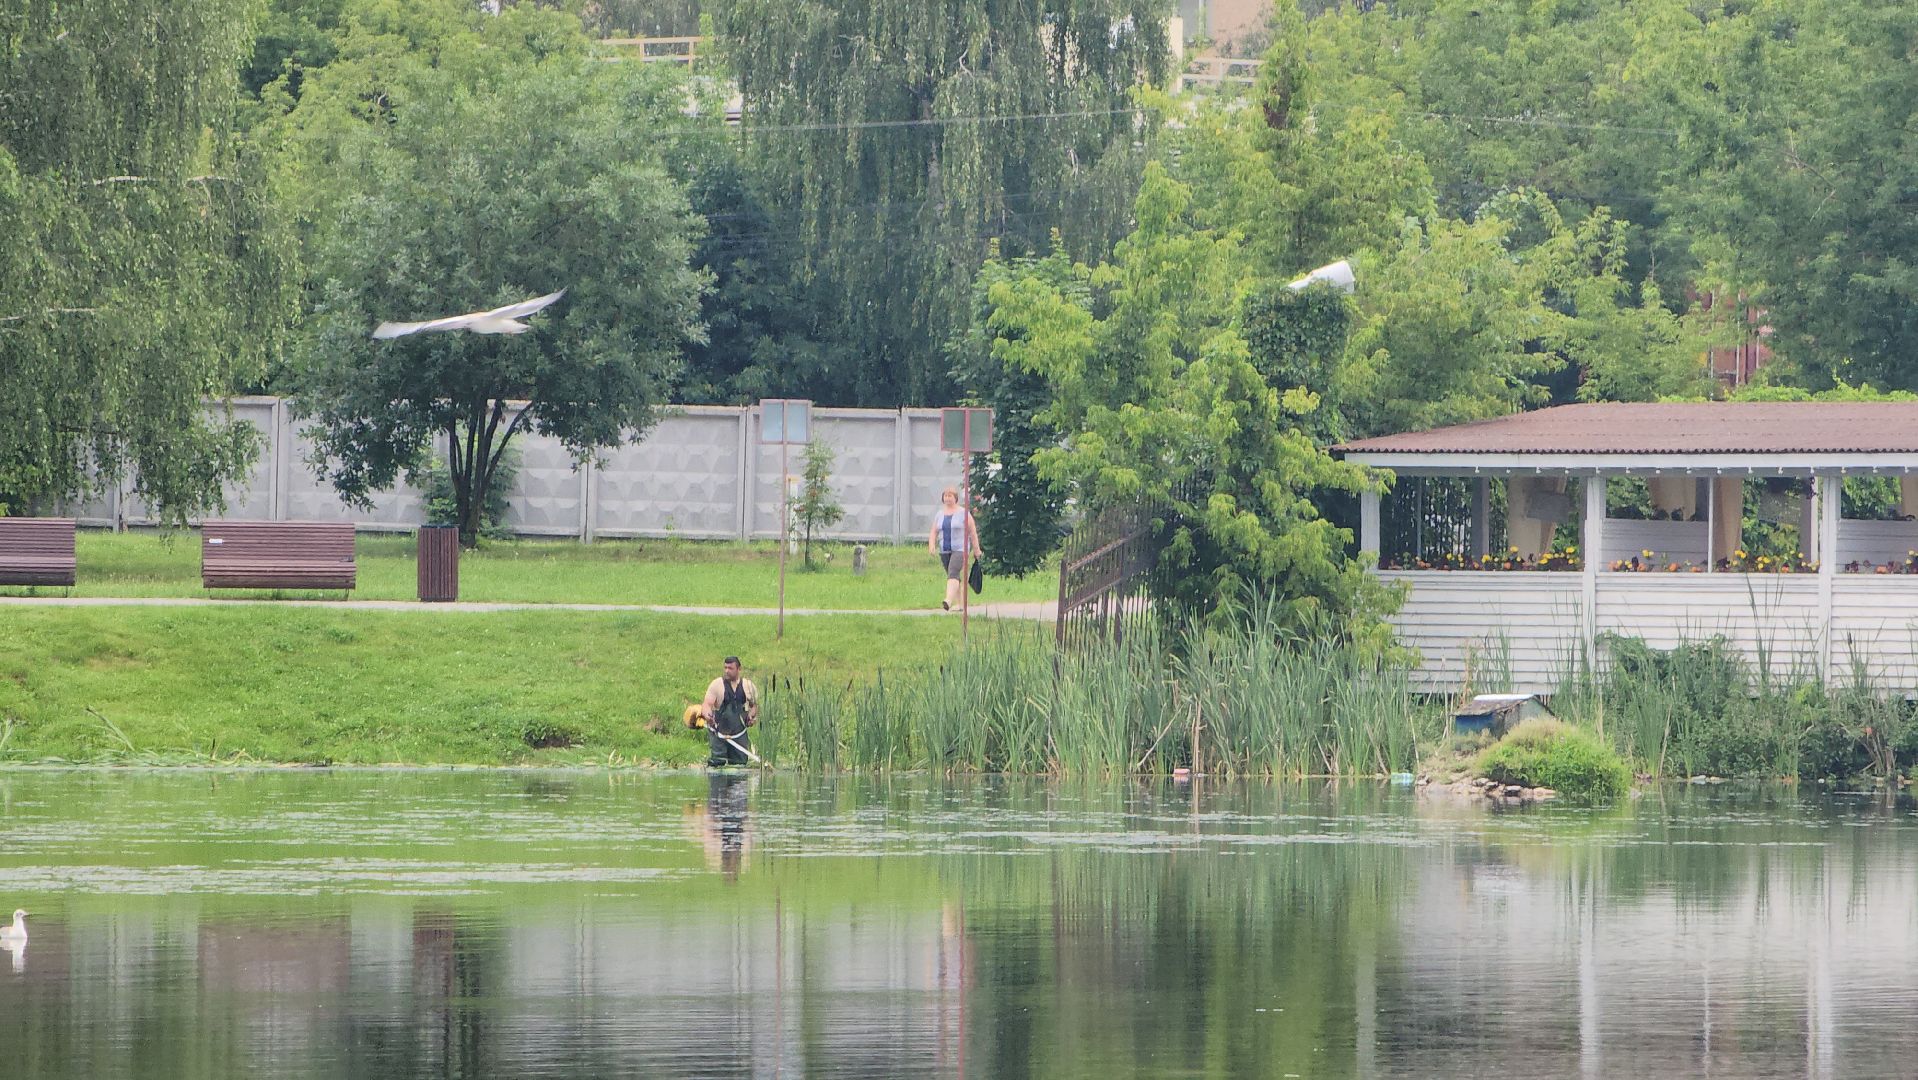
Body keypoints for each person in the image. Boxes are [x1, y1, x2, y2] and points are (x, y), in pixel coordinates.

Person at [927, 486, 982, 611]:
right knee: (954, 576)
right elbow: (933, 531)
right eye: (945, 496)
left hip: (960, 549)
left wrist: (976, 549)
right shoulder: (939, 514)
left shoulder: (963, 513)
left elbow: (972, 532)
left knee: (953, 572)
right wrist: (931, 545)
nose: (947, 498)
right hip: (944, 549)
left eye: (950, 496)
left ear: (955, 498)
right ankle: (960, 604)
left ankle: (948, 600)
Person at [701, 656, 759, 768]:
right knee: (717, 764)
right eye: (725, 667)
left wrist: (751, 716)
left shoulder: (748, 686)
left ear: (739, 669)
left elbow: (754, 706)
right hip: (719, 733)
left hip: (739, 734)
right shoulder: (716, 685)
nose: (727, 671)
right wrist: (708, 716)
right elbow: (706, 704)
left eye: (730, 668)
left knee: (740, 765)